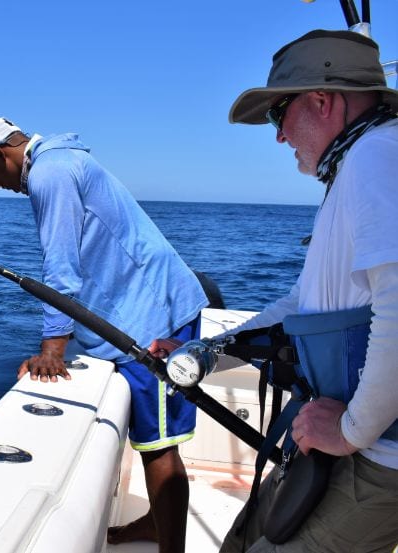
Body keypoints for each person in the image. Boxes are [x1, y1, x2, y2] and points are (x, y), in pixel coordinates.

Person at [151, 30, 398, 552]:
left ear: (323, 100)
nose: (279, 136)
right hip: (335, 436)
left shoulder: (379, 157)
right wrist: (210, 352)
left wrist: (352, 430)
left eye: (277, 114)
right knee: (241, 541)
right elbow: (301, 305)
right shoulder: (355, 168)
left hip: (379, 456)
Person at [0, 117, 209, 553]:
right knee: (154, 438)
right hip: (141, 308)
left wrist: (52, 350)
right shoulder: (63, 160)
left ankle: (171, 546)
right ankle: (155, 524)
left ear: (2, 155)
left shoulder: (49, 173)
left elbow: (60, 268)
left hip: (155, 318)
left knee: (159, 446)